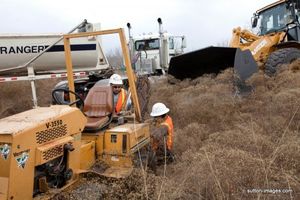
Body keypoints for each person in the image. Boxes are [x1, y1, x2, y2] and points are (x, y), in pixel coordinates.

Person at [148, 102, 174, 172]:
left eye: (155, 117)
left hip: (164, 152)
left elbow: (156, 135)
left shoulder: (164, 126)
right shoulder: (167, 118)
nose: (154, 119)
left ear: (161, 116)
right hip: (165, 149)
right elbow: (154, 121)